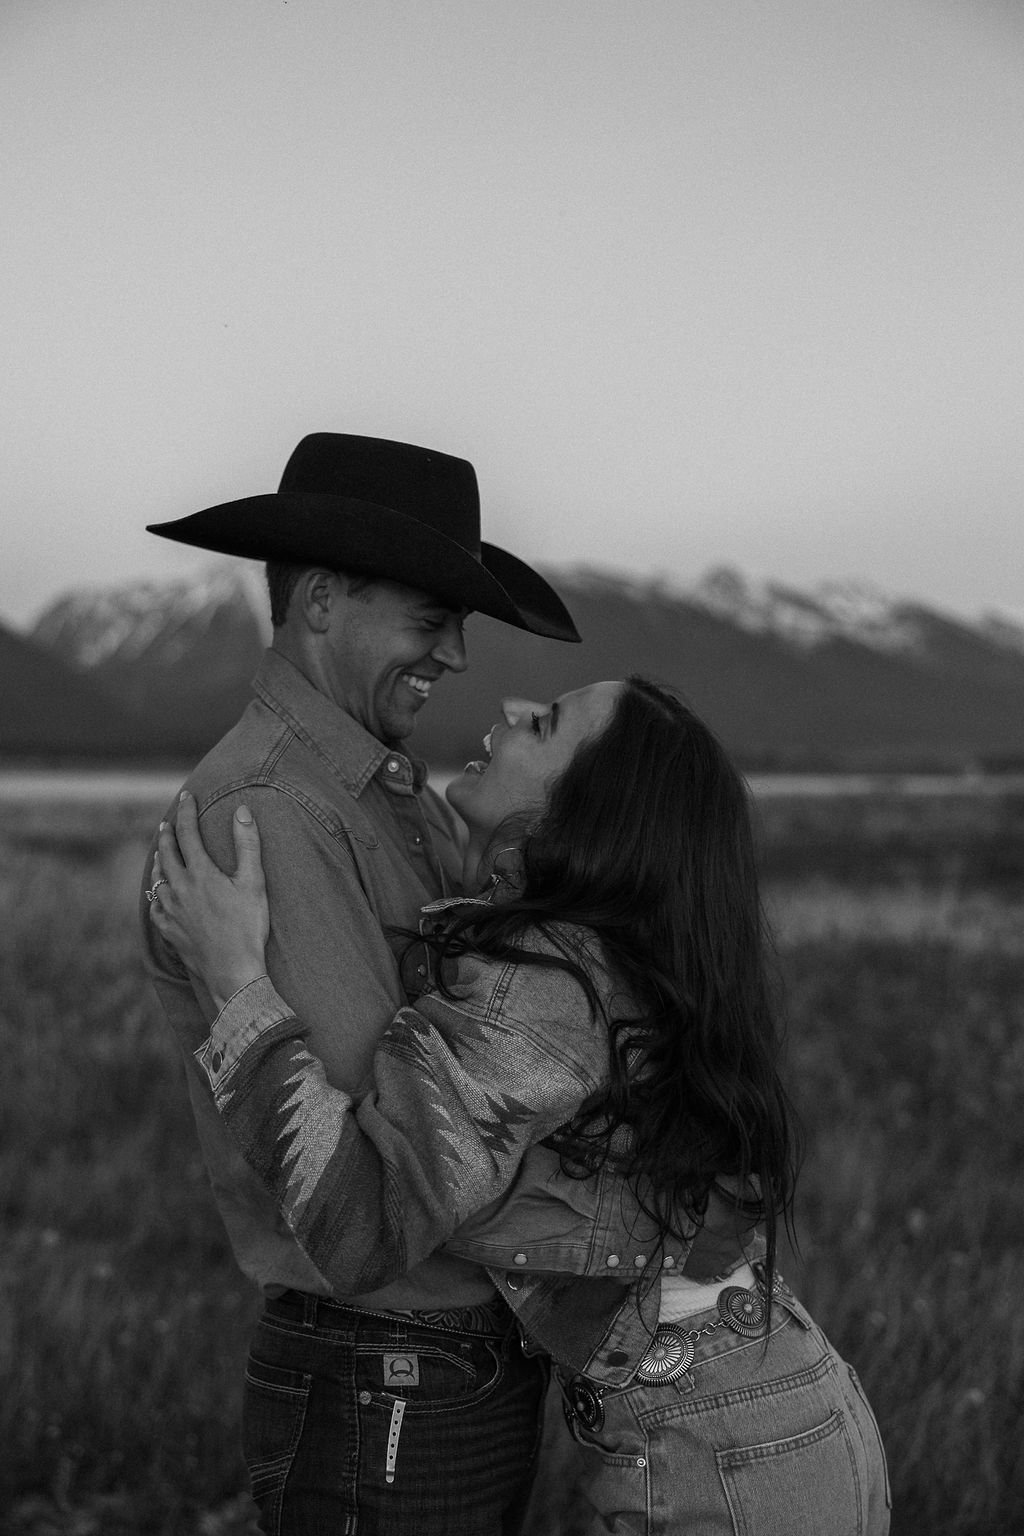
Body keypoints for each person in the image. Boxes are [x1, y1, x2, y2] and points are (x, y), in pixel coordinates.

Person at [148, 676, 892, 1536]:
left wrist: (235, 981)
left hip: (724, 1456)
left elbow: (362, 1228)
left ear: (588, 811)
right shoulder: (613, 956)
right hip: (788, 1408)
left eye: (541, 723)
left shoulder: (543, 987)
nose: (506, 710)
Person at [139, 432, 582, 1535]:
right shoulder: (271, 813)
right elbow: (370, 1188)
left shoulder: (397, 799)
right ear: (323, 602)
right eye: (431, 620)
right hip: (384, 1363)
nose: (460, 657)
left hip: (440, 1358)